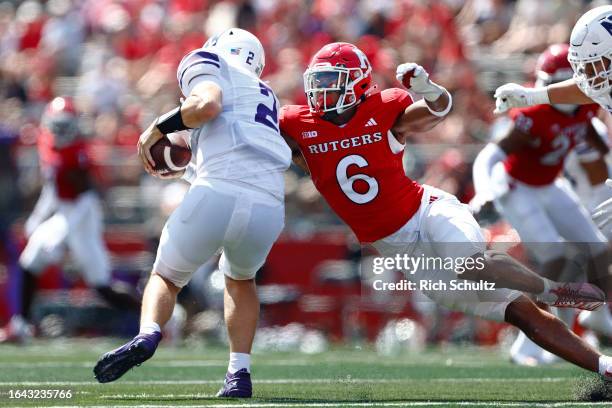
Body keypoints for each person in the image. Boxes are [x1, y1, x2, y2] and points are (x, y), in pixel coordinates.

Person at [279, 41, 612, 384]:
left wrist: (428, 89)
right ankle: (606, 367)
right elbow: (264, 131)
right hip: (403, 253)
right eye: (317, 82)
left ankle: (551, 290)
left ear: (359, 82)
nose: (322, 91)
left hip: (427, 211)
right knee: (518, 312)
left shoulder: (383, 110)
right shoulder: (298, 124)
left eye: (331, 81)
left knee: (468, 261)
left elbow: (438, 109)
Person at [93, 28, 291, 399]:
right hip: (269, 202)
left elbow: (207, 106)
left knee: (166, 276)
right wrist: (184, 162)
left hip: (217, 190)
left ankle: (148, 334)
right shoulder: (267, 94)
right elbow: (225, 136)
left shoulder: (208, 61)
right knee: (241, 280)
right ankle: (238, 373)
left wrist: (156, 128)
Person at [472, 44, 612, 366]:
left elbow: (589, 131)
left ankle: (598, 315)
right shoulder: (532, 115)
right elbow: (491, 155)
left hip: (550, 184)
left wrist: (599, 148)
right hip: (518, 188)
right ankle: (529, 340)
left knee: (598, 248)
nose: (543, 89)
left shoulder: (587, 104)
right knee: (556, 257)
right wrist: (484, 192)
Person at [0, 97, 140, 343]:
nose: (61, 130)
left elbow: (86, 198)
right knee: (29, 262)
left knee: (101, 286)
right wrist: (37, 219)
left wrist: (61, 234)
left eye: (65, 125)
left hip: (83, 215)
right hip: (65, 211)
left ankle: (158, 319)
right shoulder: (46, 142)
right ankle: (20, 325)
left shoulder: (79, 152)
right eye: (57, 124)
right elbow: (52, 189)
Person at [493, 5, 612, 231]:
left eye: (593, 63)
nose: (586, 73)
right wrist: (530, 97)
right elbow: (583, 88)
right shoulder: (601, 83)